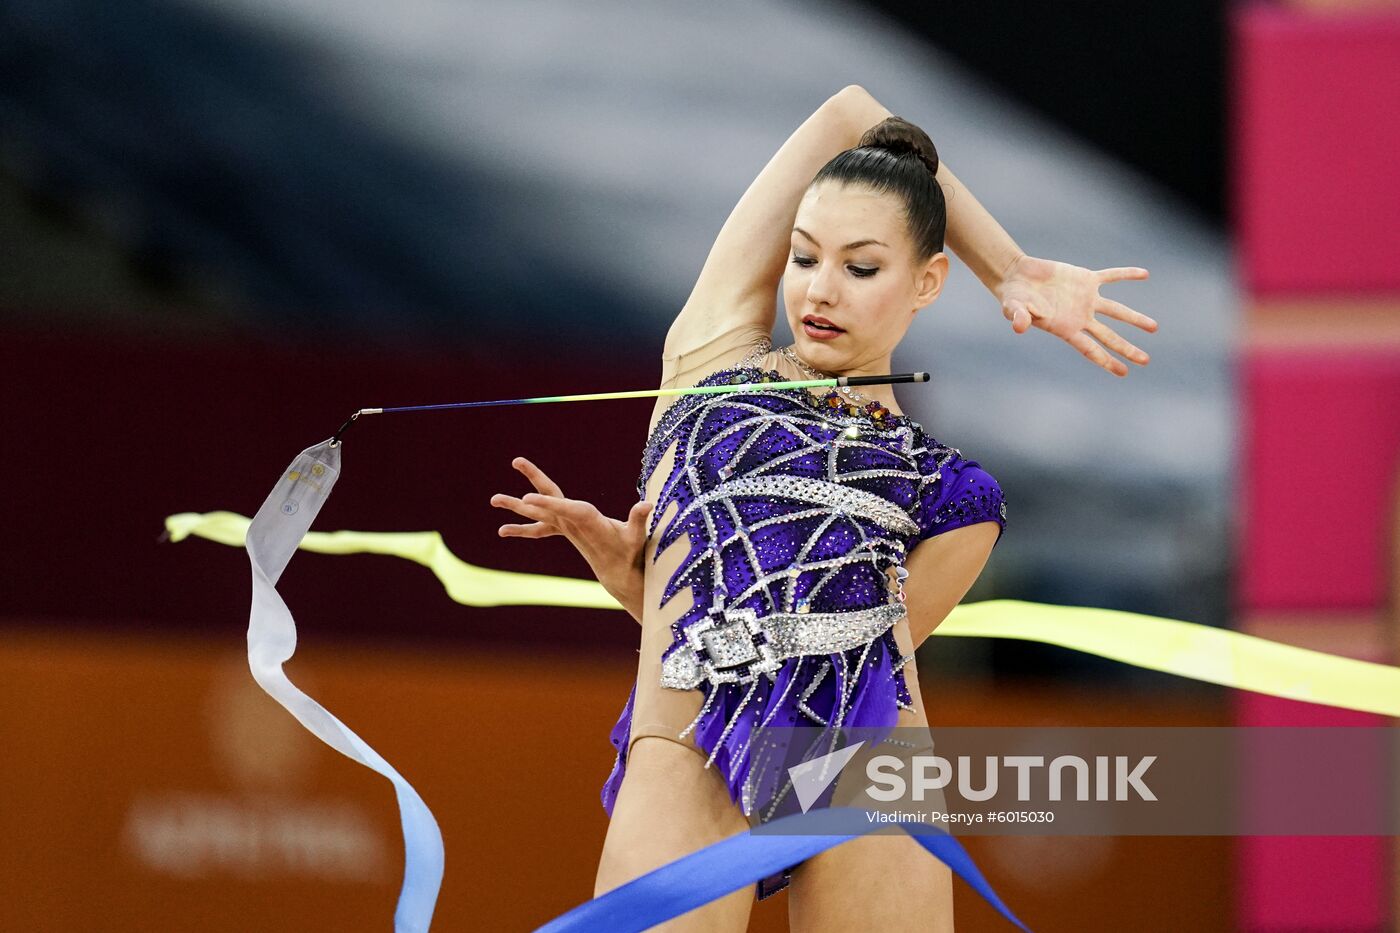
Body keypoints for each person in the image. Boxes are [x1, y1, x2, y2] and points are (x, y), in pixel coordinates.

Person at [489, 84, 1155, 932]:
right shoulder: (711, 354)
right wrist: (1013, 268)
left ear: (927, 281)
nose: (819, 291)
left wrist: (647, 589)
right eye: (805, 257)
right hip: (692, 739)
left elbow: (855, 663)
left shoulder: (953, 497)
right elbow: (848, 114)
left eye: (862, 267)